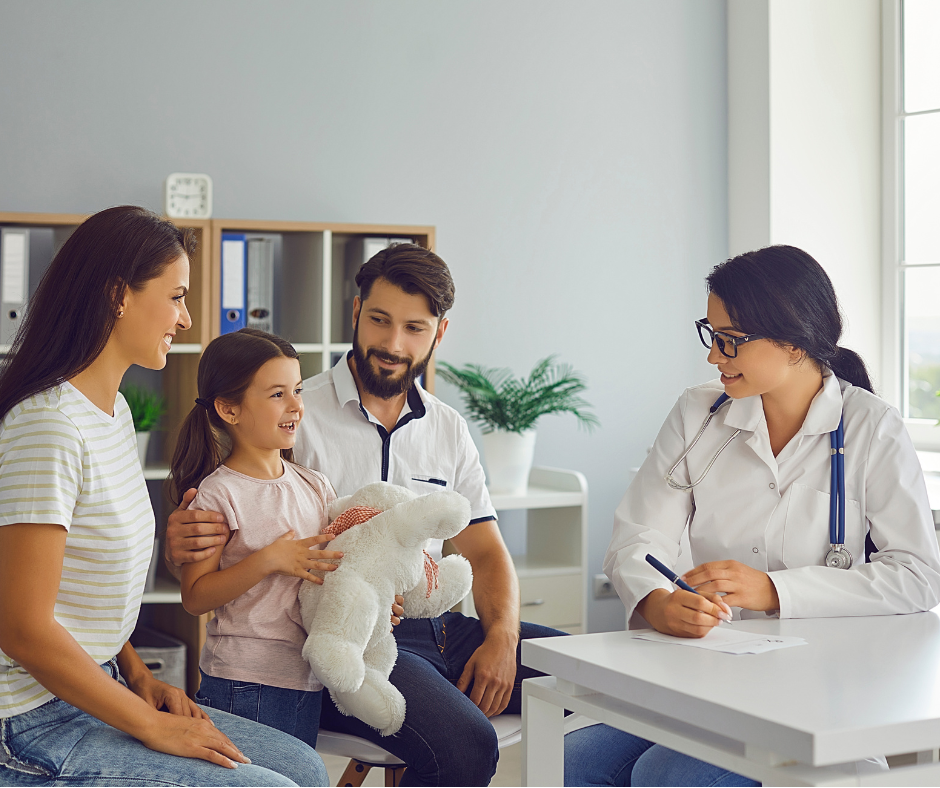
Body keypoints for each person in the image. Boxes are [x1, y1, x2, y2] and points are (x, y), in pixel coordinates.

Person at [165, 242, 565, 786]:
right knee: (467, 745)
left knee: (596, 674)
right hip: (353, 634)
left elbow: (486, 549)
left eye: (415, 328)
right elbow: (218, 519)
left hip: (439, 623)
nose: (393, 344)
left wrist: (503, 638)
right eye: (379, 321)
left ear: (438, 333)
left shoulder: (447, 427)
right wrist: (181, 540)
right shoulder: (289, 410)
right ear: (355, 313)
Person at [564, 245, 940, 787]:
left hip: (821, 686)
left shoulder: (871, 428)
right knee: (576, 762)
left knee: (665, 777)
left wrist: (775, 591)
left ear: (792, 344)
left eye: (730, 341)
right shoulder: (698, 413)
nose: (714, 357)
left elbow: (918, 574)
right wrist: (656, 600)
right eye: (710, 334)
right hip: (708, 671)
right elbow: (640, 535)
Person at [0, 207, 328, 788]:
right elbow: (22, 627)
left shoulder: (113, 413)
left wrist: (138, 676)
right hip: (26, 721)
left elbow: (79, 592)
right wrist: (149, 727)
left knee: (303, 767)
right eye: (176, 297)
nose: (186, 316)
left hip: (99, 685)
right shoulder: (47, 426)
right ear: (117, 295)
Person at [168, 328, 343, 751]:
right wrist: (267, 560)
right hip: (244, 683)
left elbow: (337, 564)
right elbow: (195, 597)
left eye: (297, 390)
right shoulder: (217, 494)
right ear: (229, 409)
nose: (296, 406)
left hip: (305, 677)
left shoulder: (315, 485)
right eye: (277, 394)